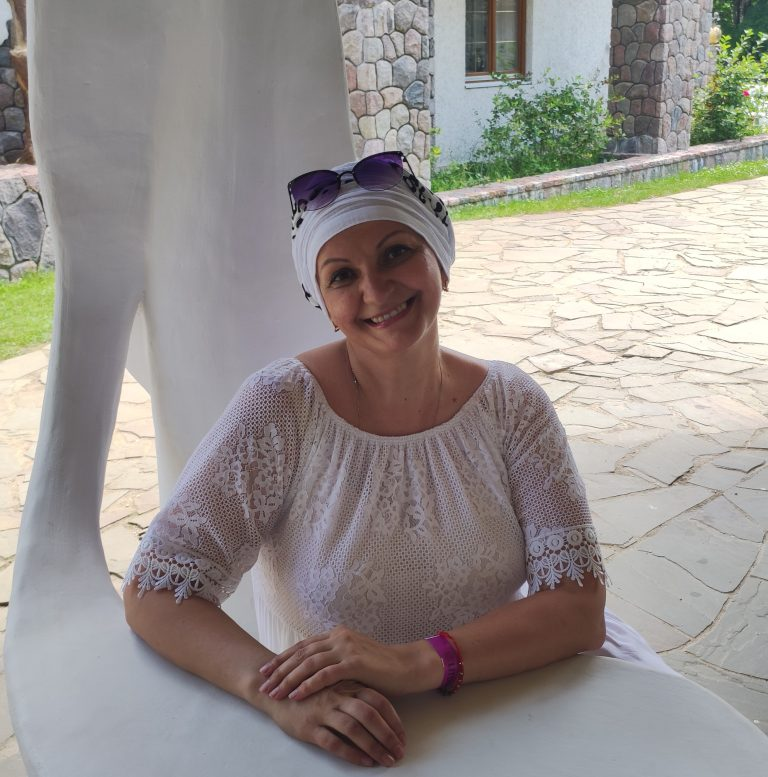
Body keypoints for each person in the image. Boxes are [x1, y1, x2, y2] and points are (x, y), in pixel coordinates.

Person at [123, 151, 671, 769]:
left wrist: (414, 662)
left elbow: (577, 607)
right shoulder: (281, 407)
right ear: (323, 301)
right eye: (342, 276)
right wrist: (275, 695)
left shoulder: (512, 404)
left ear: (441, 260)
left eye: (396, 253)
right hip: (351, 726)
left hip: (511, 694)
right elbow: (154, 592)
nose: (375, 290)